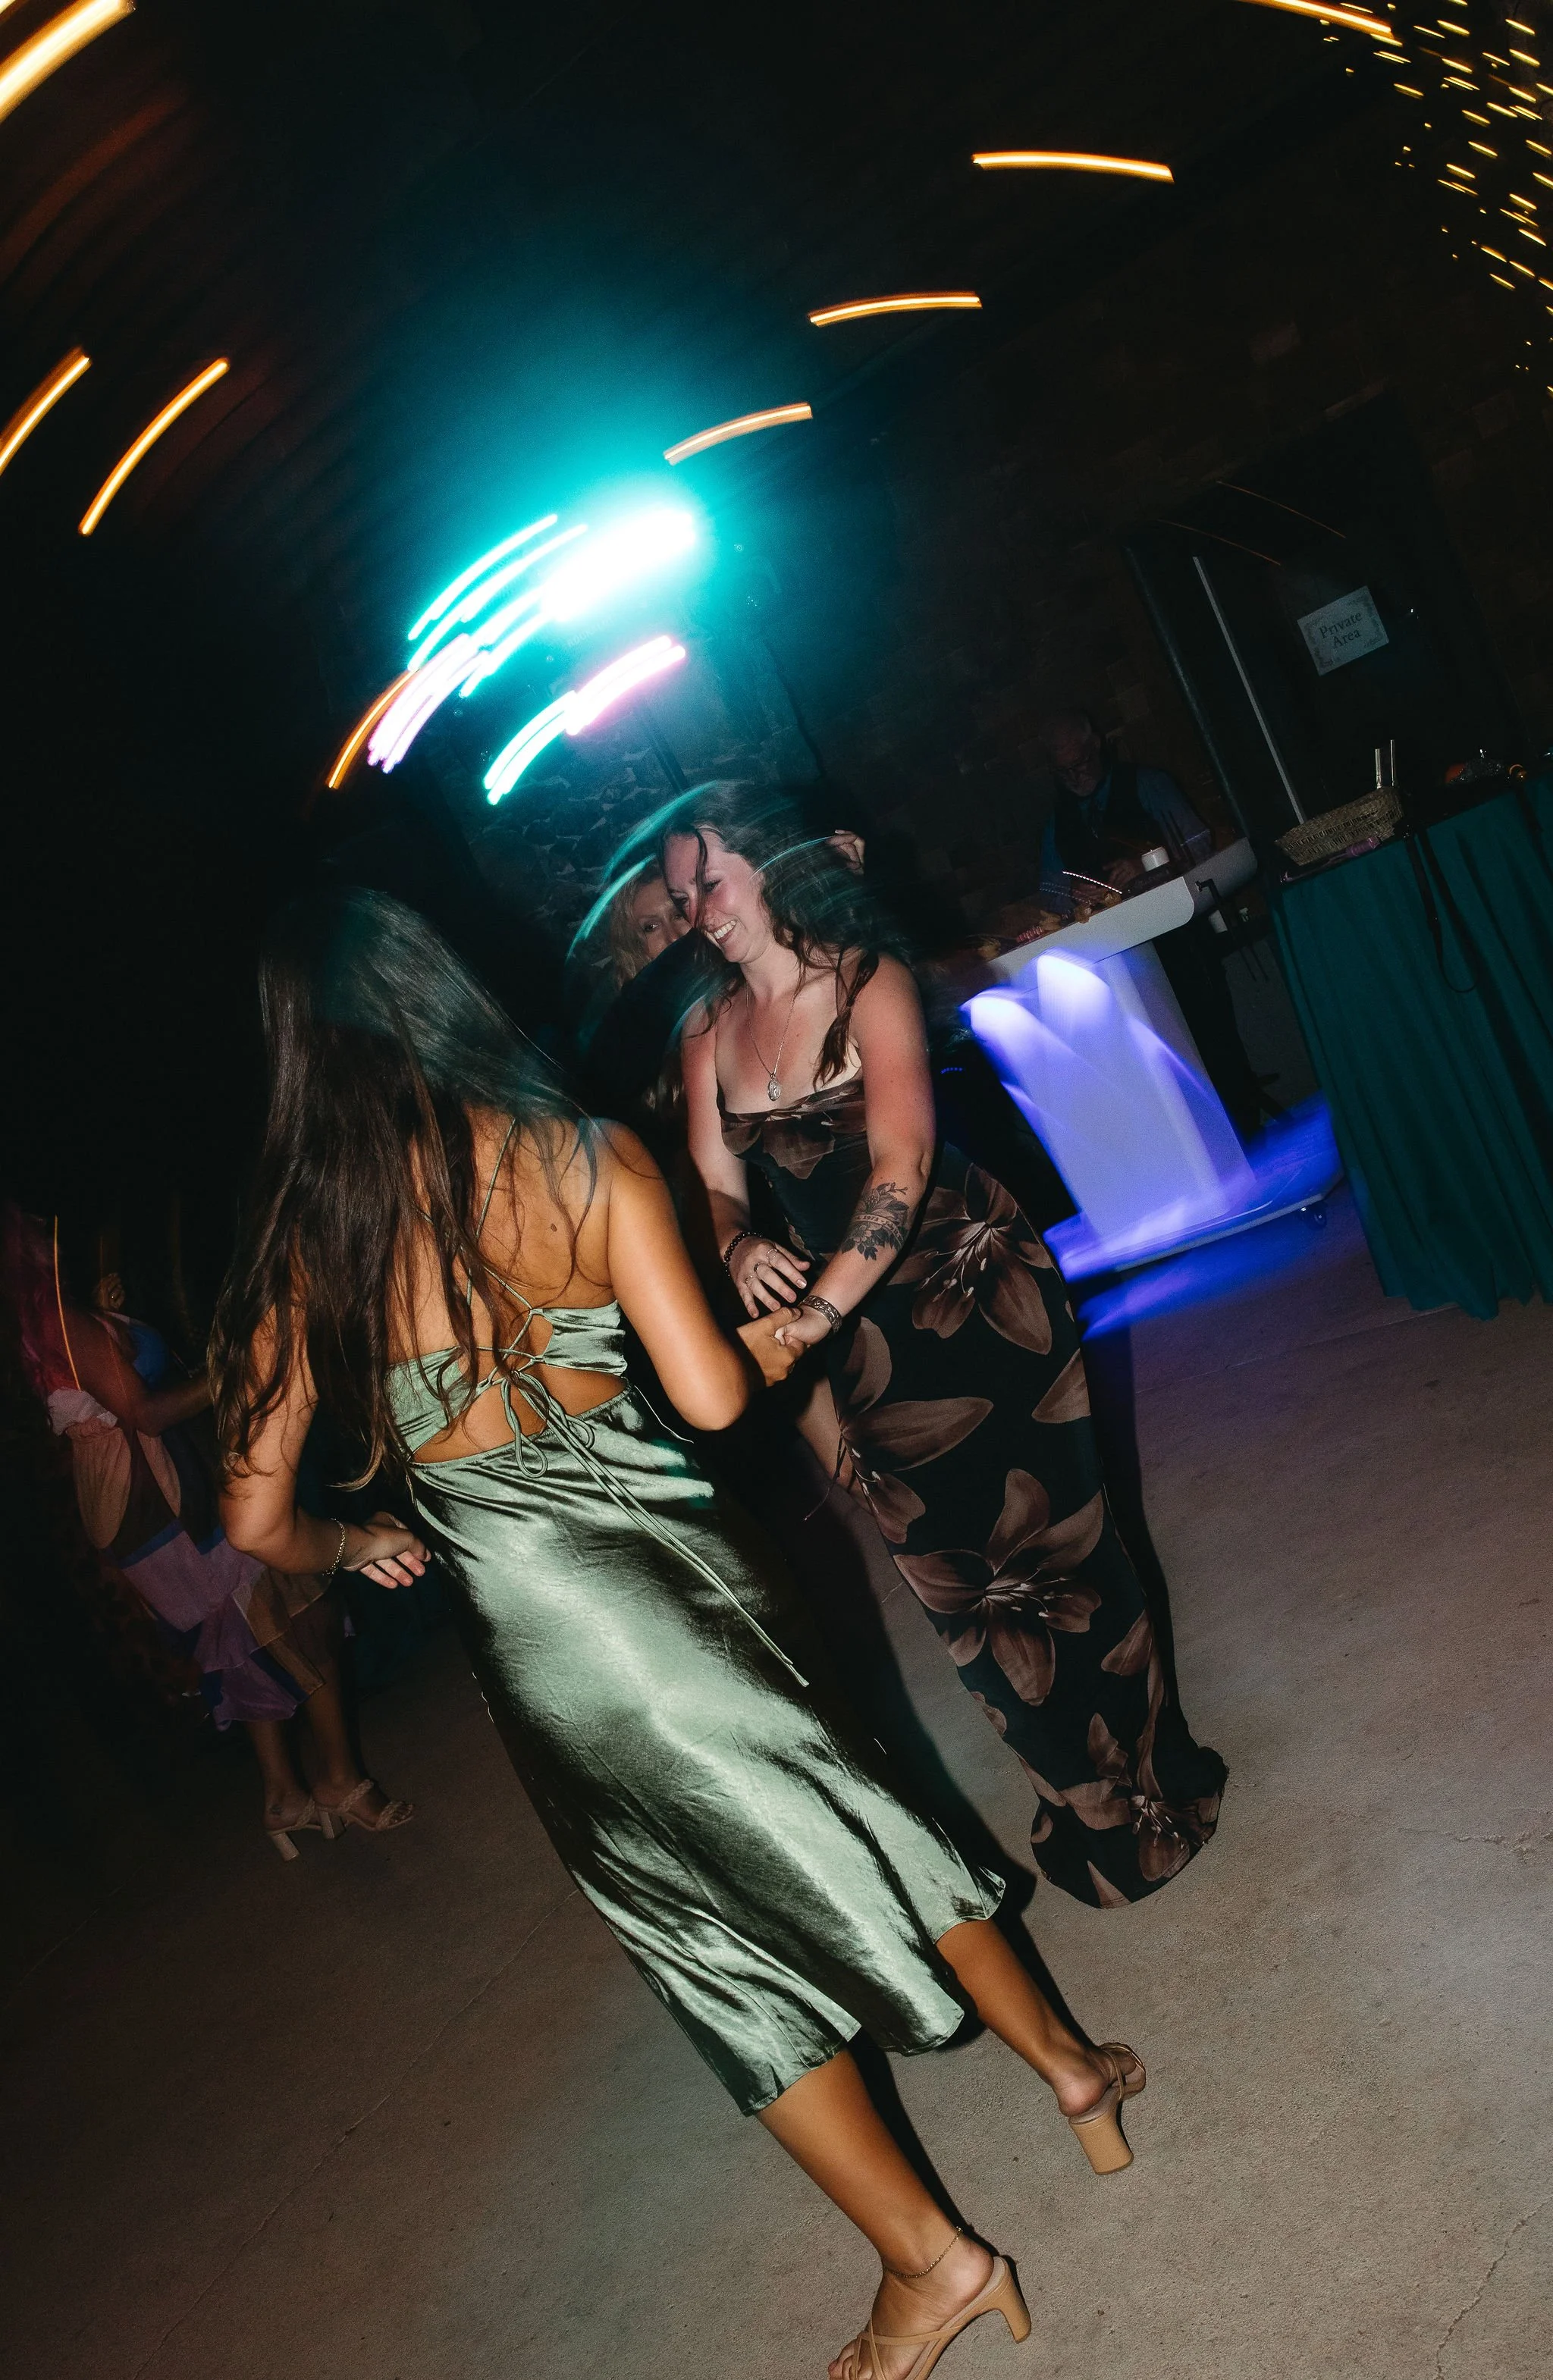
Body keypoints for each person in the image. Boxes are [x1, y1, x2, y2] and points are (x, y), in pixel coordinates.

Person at [210, 886, 1148, 2380]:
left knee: (706, 1937)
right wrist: (799, 1322)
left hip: (566, 1648)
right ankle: (1073, 2074)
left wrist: (364, 1535)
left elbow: (256, 1517)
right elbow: (711, 1399)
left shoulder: (307, 1241)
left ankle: (935, 2264)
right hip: (706, 1577)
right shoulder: (582, 1156)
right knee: (867, 1801)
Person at [667, 782, 1227, 1911]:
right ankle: (1078, 1791)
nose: (699, 912)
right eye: (681, 897)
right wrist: (733, 1254)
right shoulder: (703, 1034)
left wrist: (813, 1319)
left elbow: (902, 1170)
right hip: (857, 1344)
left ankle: (1152, 1787)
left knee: (1068, 1544)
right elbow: (718, 1195)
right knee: (960, 1584)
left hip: (974, 1291)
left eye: (710, 882)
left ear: (769, 864)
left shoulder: (868, 980)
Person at [0, 1206, 409, 1855]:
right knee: (307, 1604)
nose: (54, 1242)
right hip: (163, 1501)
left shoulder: (46, 1329)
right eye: (34, 1237)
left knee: (239, 1635)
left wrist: (112, 1319)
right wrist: (234, 1366)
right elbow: (147, 1412)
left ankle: (284, 1797)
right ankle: (337, 1781)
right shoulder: (65, 1323)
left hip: (140, 1507)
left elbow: (106, 1391)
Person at [1037, 710, 1262, 1139]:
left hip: (1180, 942)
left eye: (1081, 764)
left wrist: (1145, 865)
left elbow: (1198, 841)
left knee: (1213, 1042)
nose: (1075, 776)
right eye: (1063, 771)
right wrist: (1071, 898)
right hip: (1121, 963)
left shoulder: (1147, 783)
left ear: (1097, 745)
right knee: (1160, 1063)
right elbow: (1049, 897)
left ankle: (1248, 1136)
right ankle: (1200, 1148)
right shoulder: (1056, 824)